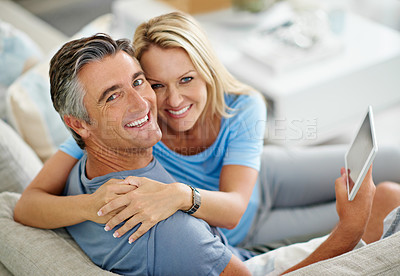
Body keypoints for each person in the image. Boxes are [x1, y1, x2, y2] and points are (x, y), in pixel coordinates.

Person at [15, 33, 400, 275]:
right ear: (78, 124)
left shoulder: (92, 163)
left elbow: (27, 204)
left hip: (251, 189)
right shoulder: (170, 233)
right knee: (386, 199)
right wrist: (349, 228)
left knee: (385, 180)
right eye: (113, 95)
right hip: (240, 239)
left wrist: (96, 203)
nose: (146, 102)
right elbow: (23, 206)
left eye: (137, 82)